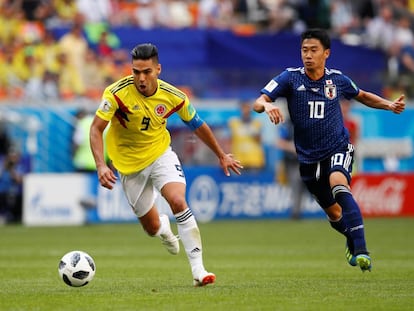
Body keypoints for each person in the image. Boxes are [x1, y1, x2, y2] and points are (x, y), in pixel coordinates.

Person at [89, 43, 242, 286]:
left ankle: (198, 270)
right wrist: (101, 165)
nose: (140, 78)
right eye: (136, 71)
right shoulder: (116, 93)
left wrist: (221, 154)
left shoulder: (174, 95)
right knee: (150, 228)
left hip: (161, 155)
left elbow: (198, 125)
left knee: (178, 201)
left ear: (158, 69)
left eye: (146, 71)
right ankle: (163, 228)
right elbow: (96, 129)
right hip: (129, 168)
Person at [253, 28, 405, 272]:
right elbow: (258, 101)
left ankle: (362, 250)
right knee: (334, 214)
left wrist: (388, 105)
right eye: (304, 50)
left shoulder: (338, 80)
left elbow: (362, 95)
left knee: (338, 183)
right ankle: (350, 238)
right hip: (308, 158)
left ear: (327, 53)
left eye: (314, 50)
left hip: (338, 147)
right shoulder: (289, 78)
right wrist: (266, 106)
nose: (308, 55)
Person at [276, 117, 307, 219]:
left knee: (302, 185)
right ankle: (296, 211)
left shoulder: (306, 121)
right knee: (295, 184)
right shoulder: (287, 125)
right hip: (291, 161)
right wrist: (293, 147)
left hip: (307, 159)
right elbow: (279, 142)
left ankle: (297, 210)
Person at [228, 100, 265, 171]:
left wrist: (253, 130)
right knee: (238, 181)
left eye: (247, 108)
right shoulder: (233, 123)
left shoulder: (256, 123)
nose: (246, 110)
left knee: (254, 181)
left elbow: (260, 140)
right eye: (244, 108)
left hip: (254, 159)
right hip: (238, 159)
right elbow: (230, 141)